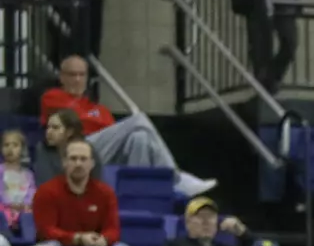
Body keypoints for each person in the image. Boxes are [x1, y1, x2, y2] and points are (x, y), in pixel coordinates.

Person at [39, 56, 212, 197]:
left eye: (81, 75)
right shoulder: (52, 97)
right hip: (76, 149)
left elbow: (111, 135)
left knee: (140, 138)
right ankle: (176, 177)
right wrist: (89, 121)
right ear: (61, 77)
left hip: (103, 155)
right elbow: (73, 122)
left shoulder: (100, 109)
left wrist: (88, 120)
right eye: (71, 75)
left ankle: (139, 195)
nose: (77, 80)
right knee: (138, 120)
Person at [33, 137, 135, 246]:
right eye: (73, 159)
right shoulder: (46, 191)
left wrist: (104, 240)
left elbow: (113, 229)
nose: (78, 164)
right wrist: (77, 238)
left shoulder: (105, 192)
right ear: (64, 162)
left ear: (92, 163)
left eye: (83, 159)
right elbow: (46, 231)